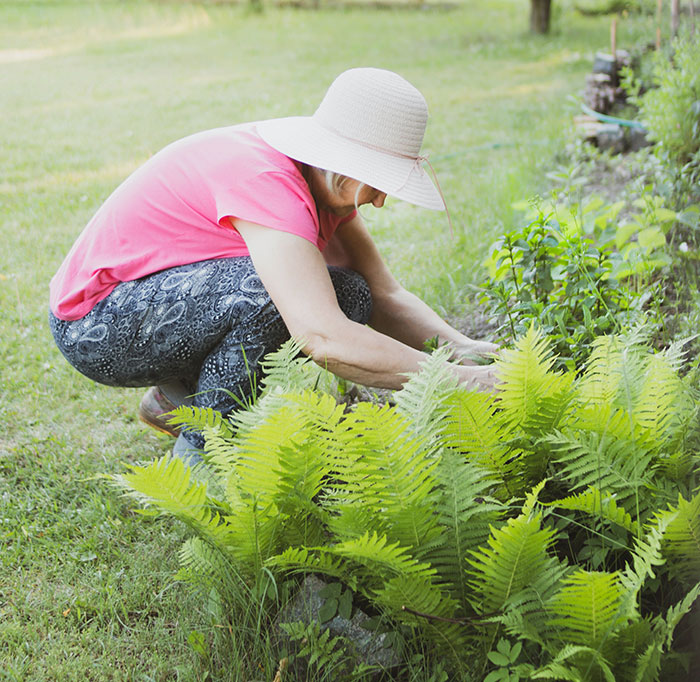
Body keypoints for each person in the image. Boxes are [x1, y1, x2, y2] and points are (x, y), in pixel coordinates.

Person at [48, 67, 499, 462]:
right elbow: (322, 336)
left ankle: (175, 399)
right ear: (342, 163)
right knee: (271, 300)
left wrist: (475, 354)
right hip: (95, 324)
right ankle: (207, 453)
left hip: (153, 304)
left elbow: (385, 295)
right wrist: (464, 381)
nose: (380, 201)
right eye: (379, 181)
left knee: (351, 293)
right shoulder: (267, 183)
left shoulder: (323, 186)